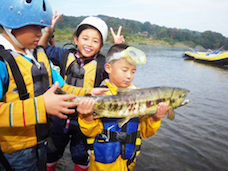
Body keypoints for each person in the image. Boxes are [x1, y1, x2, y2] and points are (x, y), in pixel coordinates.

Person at [0, 0, 107, 170]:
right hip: (14, 152)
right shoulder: (2, 61)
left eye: (42, 27)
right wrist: (40, 107)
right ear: (12, 22)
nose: (41, 33)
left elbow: (64, 87)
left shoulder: (38, 56)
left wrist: (90, 91)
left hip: (40, 143)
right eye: (35, 27)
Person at [39, 14, 125, 171]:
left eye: (95, 41)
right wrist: (48, 32)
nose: (89, 44)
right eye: (85, 38)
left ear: (100, 46)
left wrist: (117, 49)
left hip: (86, 120)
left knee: (80, 156)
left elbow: (119, 69)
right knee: (51, 152)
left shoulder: (103, 63)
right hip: (60, 117)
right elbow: (41, 50)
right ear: (76, 39)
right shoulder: (64, 55)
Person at [77, 44, 169, 171]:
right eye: (124, 70)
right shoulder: (99, 96)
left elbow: (144, 133)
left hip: (128, 164)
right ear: (108, 68)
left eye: (133, 71)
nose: (129, 76)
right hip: (101, 165)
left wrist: (155, 118)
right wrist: (87, 117)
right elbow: (90, 132)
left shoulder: (140, 97)